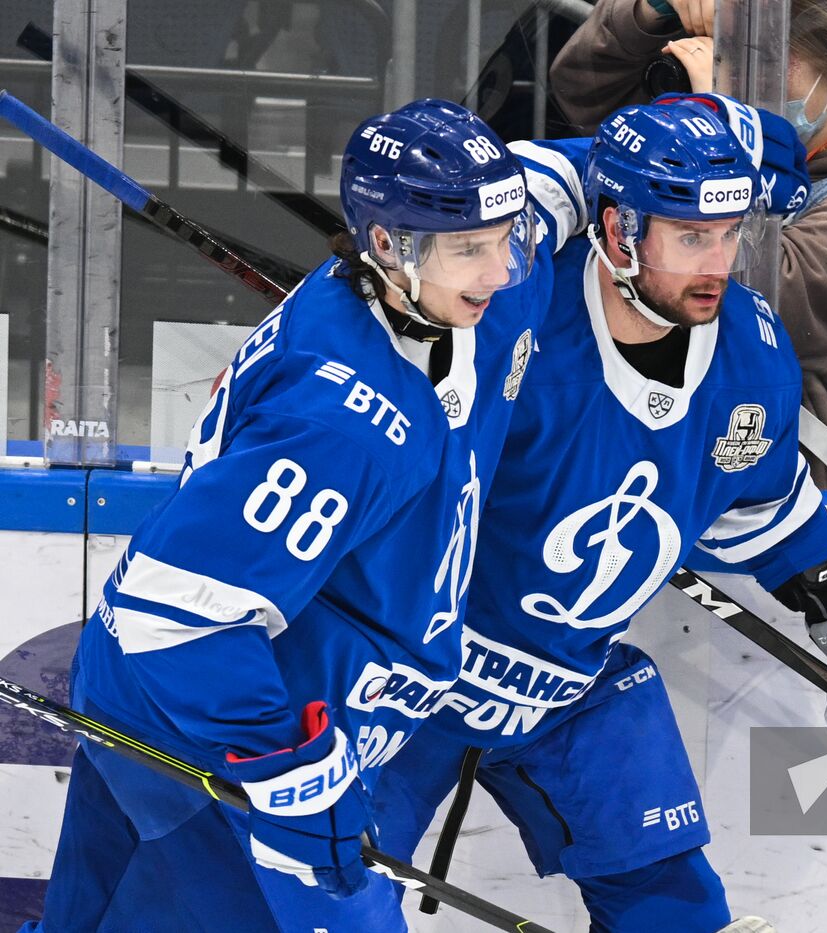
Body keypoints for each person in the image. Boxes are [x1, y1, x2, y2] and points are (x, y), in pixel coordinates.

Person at [371, 96, 827, 932]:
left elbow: (762, 507)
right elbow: (467, 211)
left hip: (564, 686)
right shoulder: (517, 305)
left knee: (673, 908)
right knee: (320, 890)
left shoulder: (751, 354)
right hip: (403, 669)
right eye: (689, 235)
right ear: (616, 230)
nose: (717, 262)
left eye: (729, 232)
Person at [22, 99, 556, 932]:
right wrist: (296, 774)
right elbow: (176, 619)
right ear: (388, 246)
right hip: (205, 732)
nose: (499, 271)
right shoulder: (345, 421)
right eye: (470, 251)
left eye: (504, 238)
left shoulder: (438, 302)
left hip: (203, 700)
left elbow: (562, 182)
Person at [549, 0, 827, 491]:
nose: (734, 78)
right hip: (673, 464)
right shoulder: (707, 145)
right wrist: (654, 10)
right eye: (725, 58)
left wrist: (724, 134)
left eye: (761, 66)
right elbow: (582, 87)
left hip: (781, 485)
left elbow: (754, 290)